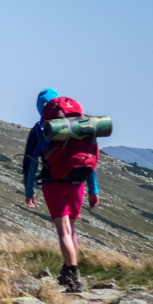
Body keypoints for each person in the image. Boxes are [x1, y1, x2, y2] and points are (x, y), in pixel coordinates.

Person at [22, 88, 99, 293]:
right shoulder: (79, 125)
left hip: (53, 182)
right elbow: (85, 157)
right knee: (71, 229)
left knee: (62, 231)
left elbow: (30, 164)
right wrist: (93, 190)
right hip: (78, 183)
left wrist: (29, 191)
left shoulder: (41, 128)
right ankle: (67, 271)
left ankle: (74, 277)